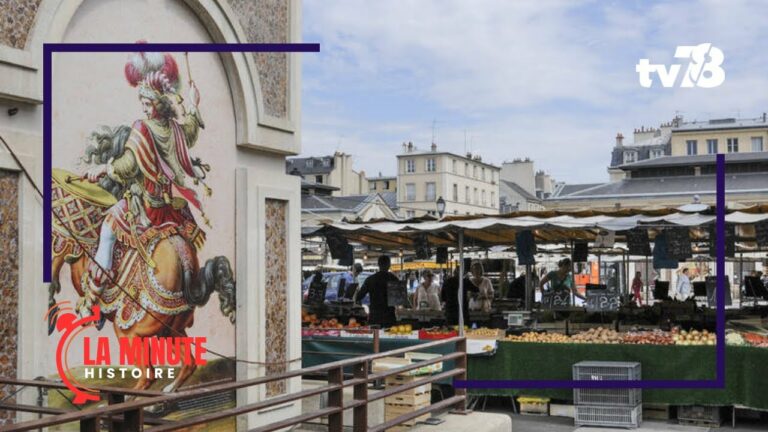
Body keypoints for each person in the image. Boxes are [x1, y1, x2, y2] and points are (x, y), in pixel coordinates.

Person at [79, 50, 207, 317]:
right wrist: (194, 105)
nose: (143, 107)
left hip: (145, 207)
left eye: (147, 102)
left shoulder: (142, 128)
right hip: (171, 210)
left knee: (108, 229)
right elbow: (191, 132)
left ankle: (94, 294)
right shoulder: (175, 129)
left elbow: (127, 166)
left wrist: (103, 168)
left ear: (157, 104)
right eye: (142, 102)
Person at [355, 255, 400, 326]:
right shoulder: (394, 279)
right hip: (389, 318)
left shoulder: (370, 279)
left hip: (374, 317)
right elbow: (399, 299)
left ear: (378, 264)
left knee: (375, 336)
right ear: (389, 265)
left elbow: (359, 296)